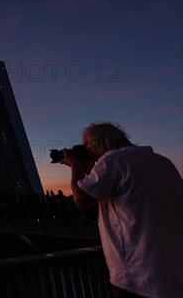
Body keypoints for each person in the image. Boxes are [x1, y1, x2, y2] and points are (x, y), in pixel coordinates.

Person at [60, 122, 183, 298]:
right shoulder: (163, 162)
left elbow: (83, 198)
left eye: (87, 146)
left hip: (137, 278)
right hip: (174, 274)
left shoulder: (113, 160)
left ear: (97, 143)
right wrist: (90, 168)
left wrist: (75, 165)